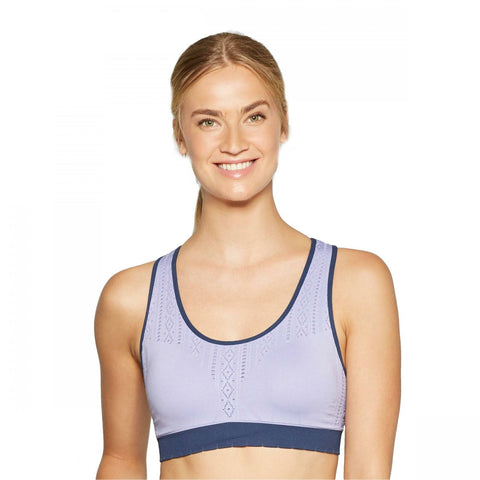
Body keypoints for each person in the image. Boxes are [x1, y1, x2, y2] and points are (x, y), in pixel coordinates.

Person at [94, 32, 401, 480]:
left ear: (283, 123)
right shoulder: (131, 299)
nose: (234, 142)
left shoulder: (355, 283)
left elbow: (369, 470)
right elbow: (121, 460)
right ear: (180, 136)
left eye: (253, 116)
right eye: (208, 122)